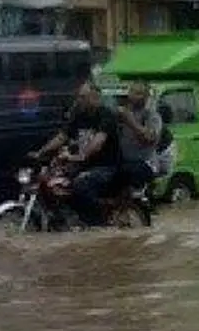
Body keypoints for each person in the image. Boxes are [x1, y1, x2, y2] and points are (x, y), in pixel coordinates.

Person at [33, 81, 120, 226]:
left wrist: (80, 156)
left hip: (105, 167)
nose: (79, 101)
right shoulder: (79, 115)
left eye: (83, 97)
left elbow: (98, 142)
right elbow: (62, 136)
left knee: (80, 184)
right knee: (51, 180)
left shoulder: (106, 115)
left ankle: (98, 222)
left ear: (95, 97)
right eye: (79, 97)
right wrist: (41, 152)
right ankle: (63, 218)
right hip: (83, 165)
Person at [115, 82, 162, 190]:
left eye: (138, 93)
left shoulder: (151, 115)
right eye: (131, 92)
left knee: (133, 172)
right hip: (124, 160)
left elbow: (150, 138)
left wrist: (131, 122)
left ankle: (142, 195)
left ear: (145, 97)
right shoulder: (123, 114)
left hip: (145, 162)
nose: (133, 96)